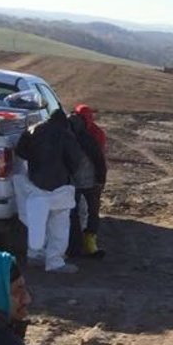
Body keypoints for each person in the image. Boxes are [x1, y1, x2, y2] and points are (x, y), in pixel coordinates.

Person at [14, 107, 85, 274]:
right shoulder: (66, 135)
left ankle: (35, 255)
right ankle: (54, 261)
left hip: (35, 185)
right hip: (59, 187)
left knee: (37, 223)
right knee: (59, 225)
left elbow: (20, 151)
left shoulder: (33, 130)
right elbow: (75, 161)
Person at [67, 104, 108, 259]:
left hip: (72, 182)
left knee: (73, 213)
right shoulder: (95, 134)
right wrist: (101, 179)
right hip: (91, 182)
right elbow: (100, 159)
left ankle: (74, 246)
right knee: (92, 212)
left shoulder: (67, 132)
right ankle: (89, 244)